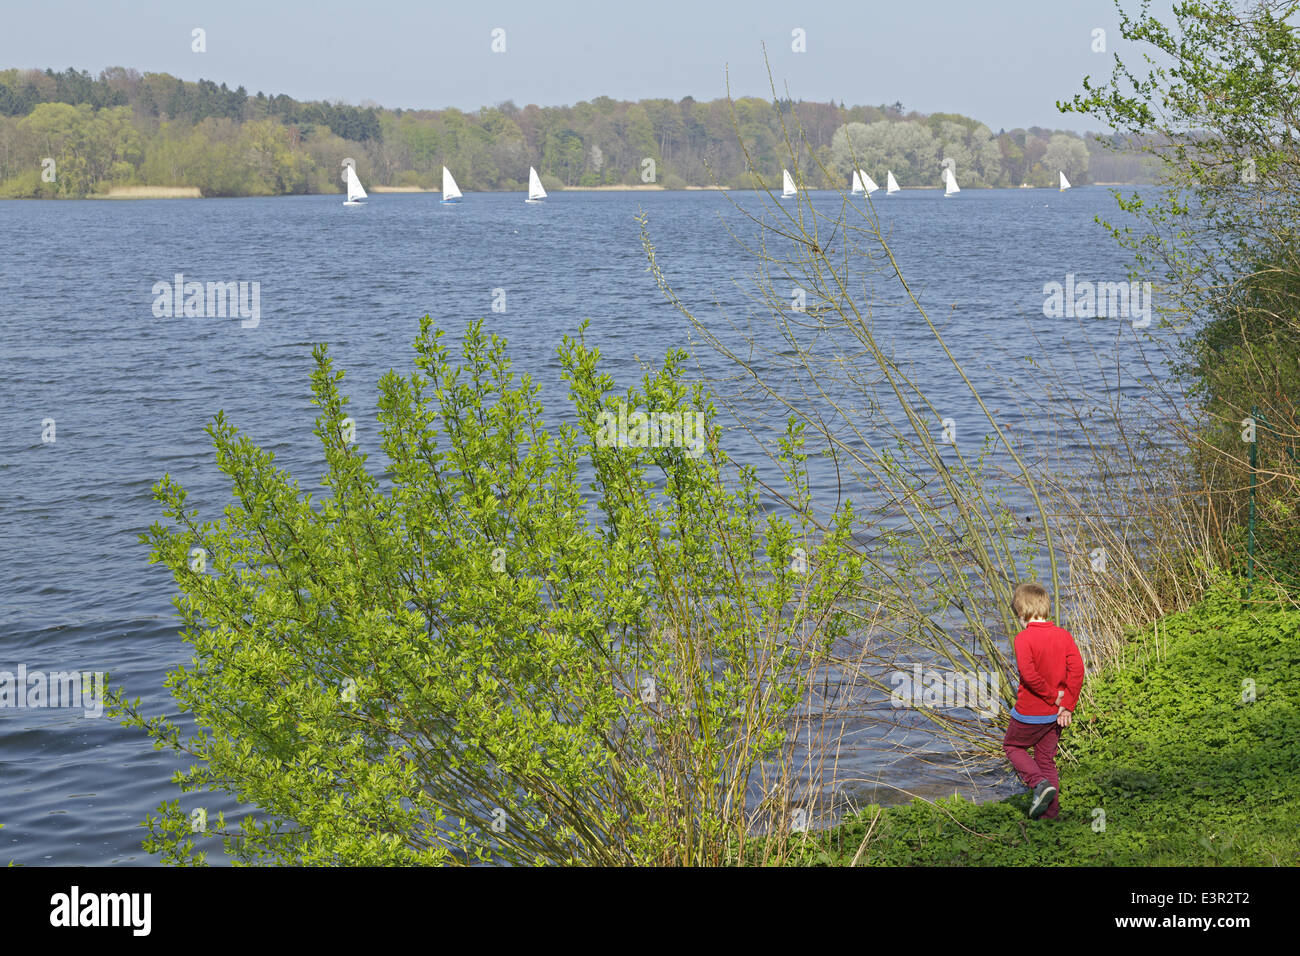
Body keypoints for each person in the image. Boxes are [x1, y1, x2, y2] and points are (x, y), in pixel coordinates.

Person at [1002, 582, 1085, 820]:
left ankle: (1038, 784)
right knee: (1045, 759)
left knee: (1013, 747)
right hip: (1056, 714)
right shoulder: (1063, 635)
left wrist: (1052, 695)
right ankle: (1051, 814)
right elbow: (1077, 670)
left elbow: (1029, 676)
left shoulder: (1023, 639)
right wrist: (1067, 704)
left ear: (1021, 612)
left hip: (1030, 712)